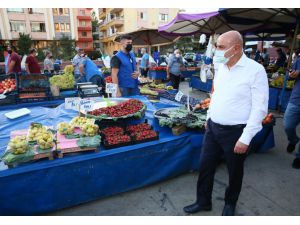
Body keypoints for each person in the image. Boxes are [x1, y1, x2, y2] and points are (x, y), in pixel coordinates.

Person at [183, 31, 269, 216]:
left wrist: (246, 138)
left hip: (236, 132)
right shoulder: (221, 66)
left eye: (220, 47)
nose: (216, 50)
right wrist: (208, 118)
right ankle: (203, 201)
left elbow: (260, 108)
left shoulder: (255, 70)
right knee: (205, 166)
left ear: (236, 48)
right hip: (213, 128)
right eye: (216, 46)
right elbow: (215, 95)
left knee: (234, 171)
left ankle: (230, 203)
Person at [284, 51, 300, 169]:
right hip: (296, 99)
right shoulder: (299, 60)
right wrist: (291, 75)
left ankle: (299, 157)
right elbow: (289, 75)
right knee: (288, 126)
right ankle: (293, 140)